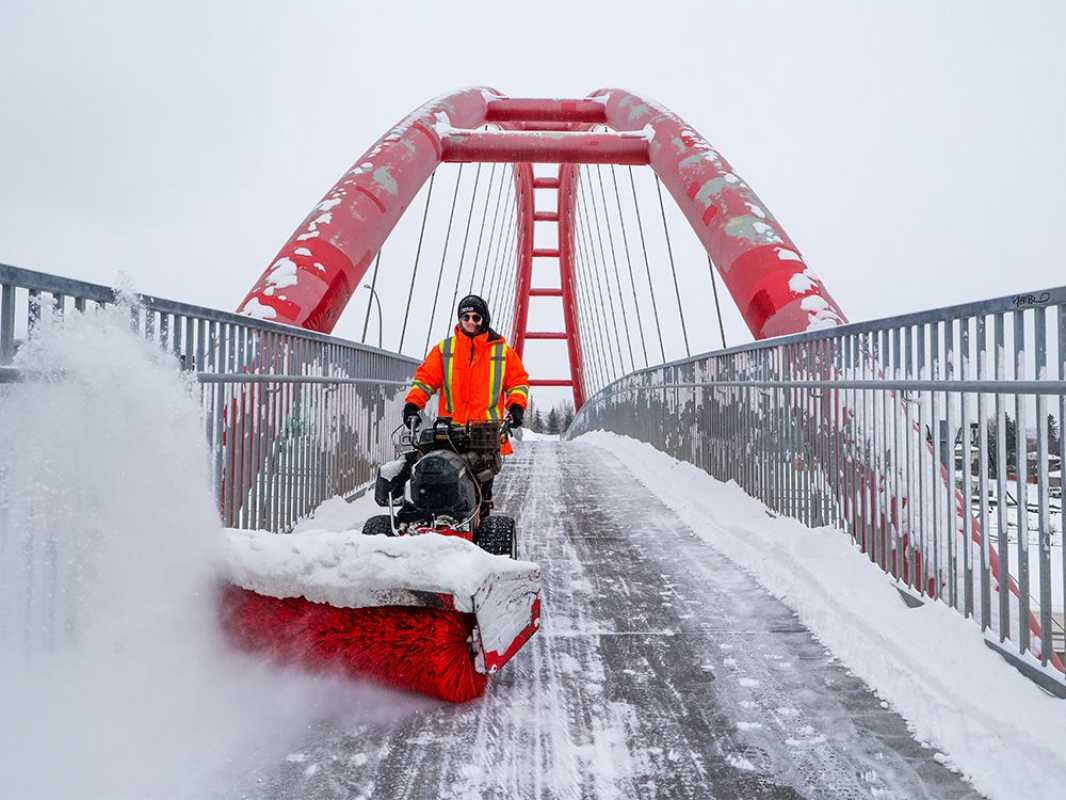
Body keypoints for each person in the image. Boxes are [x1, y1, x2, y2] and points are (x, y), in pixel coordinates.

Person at [402, 294, 530, 517]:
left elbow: (518, 382)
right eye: (466, 317)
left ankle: (480, 529)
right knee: (441, 477)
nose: (471, 322)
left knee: (480, 490)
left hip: (485, 434)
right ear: (459, 319)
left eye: (476, 317)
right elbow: (425, 380)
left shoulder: (502, 352)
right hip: (450, 430)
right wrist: (413, 405)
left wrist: (516, 407)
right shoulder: (445, 350)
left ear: (484, 319)